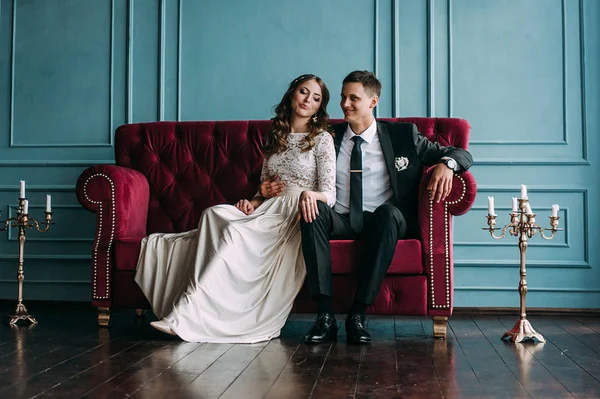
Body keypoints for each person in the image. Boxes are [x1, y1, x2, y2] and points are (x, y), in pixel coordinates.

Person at [260, 70, 473, 344]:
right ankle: (324, 316)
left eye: (353, 98)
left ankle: (357, 315)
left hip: (382, 221)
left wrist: (447, 164)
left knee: (389, 214)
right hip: (339, 217)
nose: (345, 104)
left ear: (373, 102)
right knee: (313, 209)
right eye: (342, 97)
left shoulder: (402, 135)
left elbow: (461, 153)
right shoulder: (328, 136)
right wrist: (267, 190)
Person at [134, 74, 336, 343]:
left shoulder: (322, 139)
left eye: (316, 98)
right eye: (303, 92)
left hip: (295, 214)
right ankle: (191, 309)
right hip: (268, 209)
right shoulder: (275, 136)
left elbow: (330, 195)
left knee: (234, 234)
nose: (308, 100)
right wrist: (253, 201)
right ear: (292, 94)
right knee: (213, 214)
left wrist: (311, 195)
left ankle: (184, 316)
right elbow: (263, 189)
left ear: (319, 107)